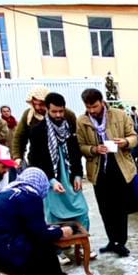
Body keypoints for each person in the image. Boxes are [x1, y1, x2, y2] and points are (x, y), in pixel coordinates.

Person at [76, 88, 138, 256]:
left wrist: (125, 142)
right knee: (105, 209)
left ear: (102, 102)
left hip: (120, 167)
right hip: (98, 170)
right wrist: (94, 149)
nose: (92, 111)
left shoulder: (119, 115)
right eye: (88, 107)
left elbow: (134, 137)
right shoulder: (82, 121)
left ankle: (121, 241)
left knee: (120, 209)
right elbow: (80, 146)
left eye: (95, 107)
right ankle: (112, 240)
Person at [26, 92, 90, 231]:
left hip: (70, 177)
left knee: (82, 210)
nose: (58, 115)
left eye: (61, 111)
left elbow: (76, 153)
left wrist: (78, 174)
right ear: (47, 110)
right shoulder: (38, 131)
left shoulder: (70, 127)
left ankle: (83, 246)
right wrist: (51, 180)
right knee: (54, 215)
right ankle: (58, 247)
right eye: (54, 111)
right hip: (51, 179)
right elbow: (34, 159)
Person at [12, 89, 76, 164]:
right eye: (35, 104)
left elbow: (76, 135)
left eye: (41, 104)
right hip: (40, 159)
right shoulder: (29, 116)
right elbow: (19, 137)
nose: (38, 107)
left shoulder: (66, 114)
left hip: (65, 157)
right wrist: (17, 157)